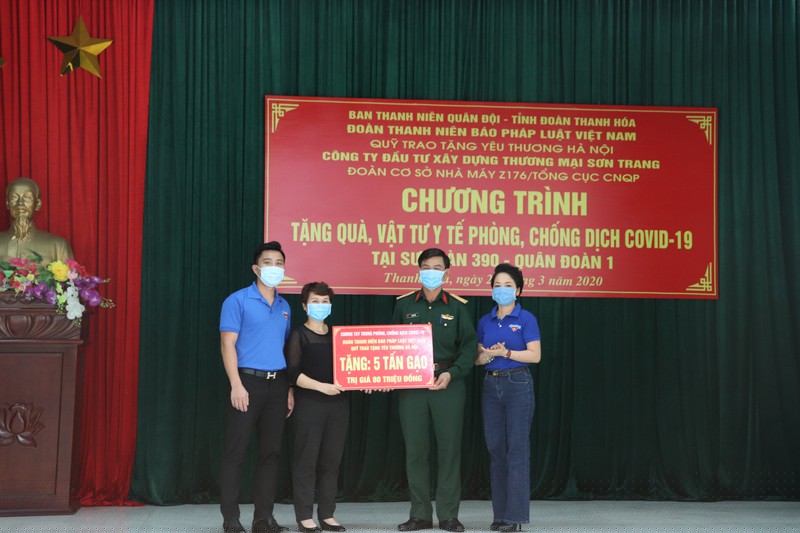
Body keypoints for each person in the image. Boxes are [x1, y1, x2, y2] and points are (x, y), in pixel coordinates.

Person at [392, 248, 477, 533]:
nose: (431, 272)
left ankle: (449, 515)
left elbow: (468, 348)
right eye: (426, 267)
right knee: (415, 451)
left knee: (449, 451)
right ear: (419, 271)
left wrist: (452, 373)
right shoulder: (404, 305)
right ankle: (420, 514)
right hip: (412, 386)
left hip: (448, 384)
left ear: (446, 273)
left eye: (437, 267)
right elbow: (391, 343)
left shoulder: (458, 307)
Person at [219, 241, 294, 533]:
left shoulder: (285, 306)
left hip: (278, 386)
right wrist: (236, 384)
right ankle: (230, 519)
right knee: (236, 453)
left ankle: (264, 519)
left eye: (279, 263)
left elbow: (283, 348)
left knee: (271, 454)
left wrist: (289, 389)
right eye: (268, 262)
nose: (274, 268)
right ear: (256, 268)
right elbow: (227, 344)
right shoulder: (237, 300)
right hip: (247, 383)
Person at [474, 264, 541, 532]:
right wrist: (488, 355)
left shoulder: (526, 318)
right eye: (497, 285)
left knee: (517, 450)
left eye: (508, 285)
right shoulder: (485, 321)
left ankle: (516, 517)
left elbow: (535, 355)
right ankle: (500, 515)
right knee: (496, 450)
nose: (502, 290)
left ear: (518, 291)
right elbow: (478, 359)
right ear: (491, 290)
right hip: (491, 385)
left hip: (518, 383)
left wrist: (507, 353)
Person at [286, 282, 348, 533]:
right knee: (306, 460)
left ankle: (327, 514)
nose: (320, 306)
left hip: (339, 406)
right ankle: (304, 516)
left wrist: (367, 382)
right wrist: (322, 387)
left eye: (325, 302)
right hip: (309, 404)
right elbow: (293, 372)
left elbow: (353, 368)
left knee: (331, 461)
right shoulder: (298, 335)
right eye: (315, 301)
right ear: (304, 306)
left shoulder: (339, 335)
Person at [0, 177, 74, 264]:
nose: (20, 203)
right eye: (14, 197)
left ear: (38, 204)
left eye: (27, 197)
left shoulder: (58, 246)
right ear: (7, 203)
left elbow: (70, 271)